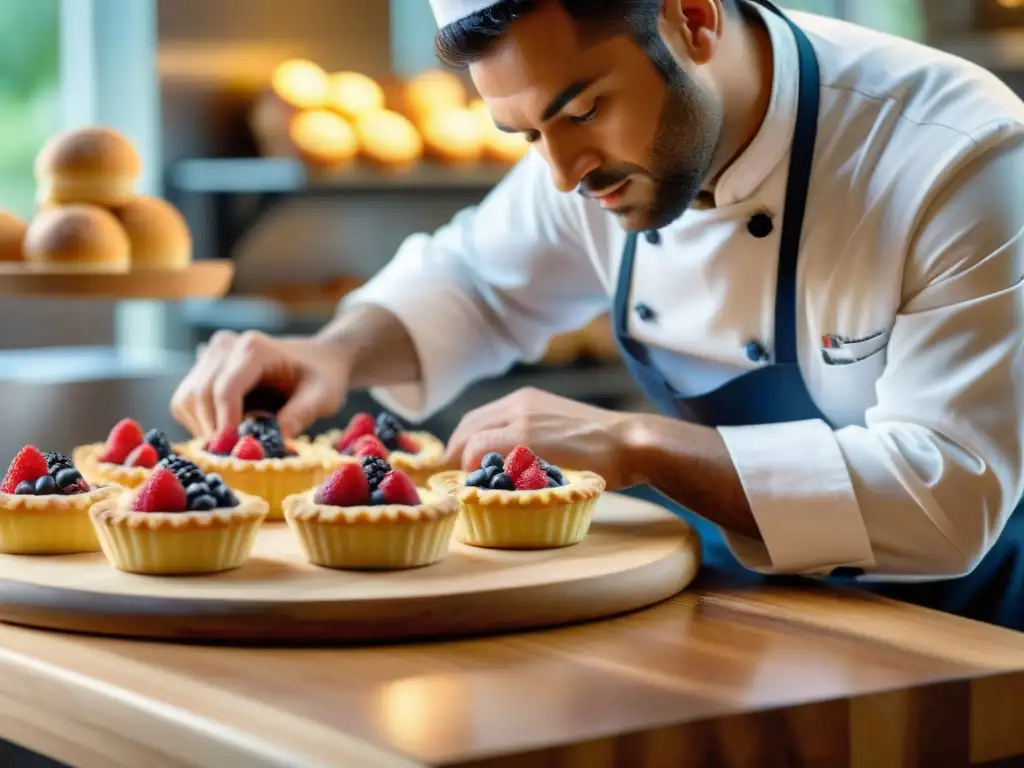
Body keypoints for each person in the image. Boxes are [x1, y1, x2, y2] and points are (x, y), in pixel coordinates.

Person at [172, 0, 1024, 628]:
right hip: (746, 607)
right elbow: (475, 279)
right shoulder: (588, 155)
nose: (562, 174)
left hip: (966, 631)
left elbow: (945, 499)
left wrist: (636, 441)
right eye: (525, 135)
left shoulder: (954, 151)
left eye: (581, 111)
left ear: (692, 19)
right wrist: (332, 352)